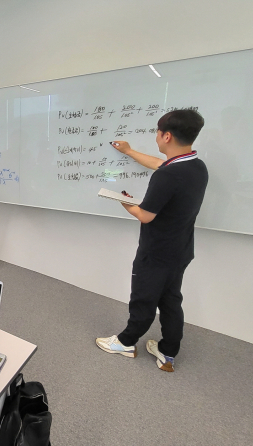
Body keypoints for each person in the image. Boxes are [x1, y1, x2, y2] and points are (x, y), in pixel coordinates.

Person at [96, 109, 208, 372]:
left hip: (156, 252)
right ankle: (168, 352)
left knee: (143, 299)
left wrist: (124, 202)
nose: (156, 138)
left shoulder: (167, 176)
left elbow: (145, 215)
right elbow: (159, 164)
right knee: (171, 300)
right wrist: (129, 151)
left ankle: (126, 342)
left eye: (157, 133)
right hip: (180, 250)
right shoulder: (196, 166)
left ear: (166, 136)